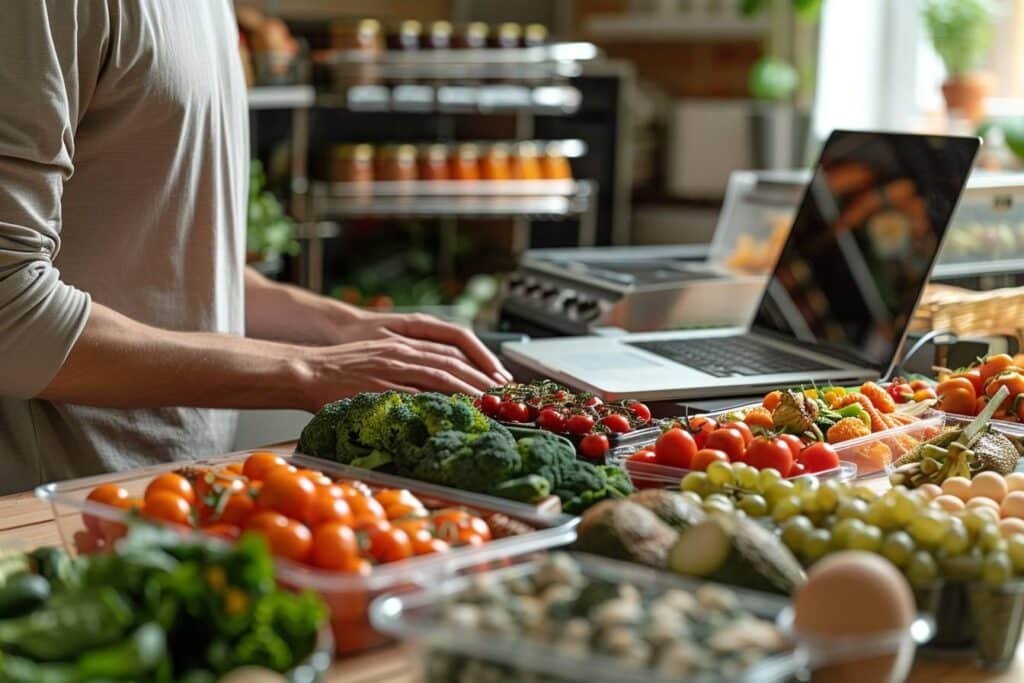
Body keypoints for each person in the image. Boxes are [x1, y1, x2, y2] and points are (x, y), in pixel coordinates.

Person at [0, 2, 510, 495]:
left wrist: (342, 329)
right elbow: (11, 314)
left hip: (179, 497)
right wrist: (308, 371)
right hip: (45, 517)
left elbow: (177, 270)